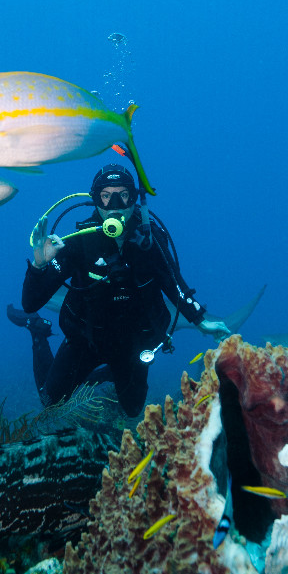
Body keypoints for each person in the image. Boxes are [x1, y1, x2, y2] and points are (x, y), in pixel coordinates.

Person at [12, 164, 230, 417]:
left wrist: (200, 320)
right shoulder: (79, 241)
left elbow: (174, 284)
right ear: (95, 200)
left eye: (123, 195)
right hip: (86, 340)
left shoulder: (151, 241)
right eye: (106, 196)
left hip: (135, 343)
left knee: (133, 410)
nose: (114, 204)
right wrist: (39, 265)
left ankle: (109, 371)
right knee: (50, 401)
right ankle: (38, 332)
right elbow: (30, 303)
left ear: (134, 199)